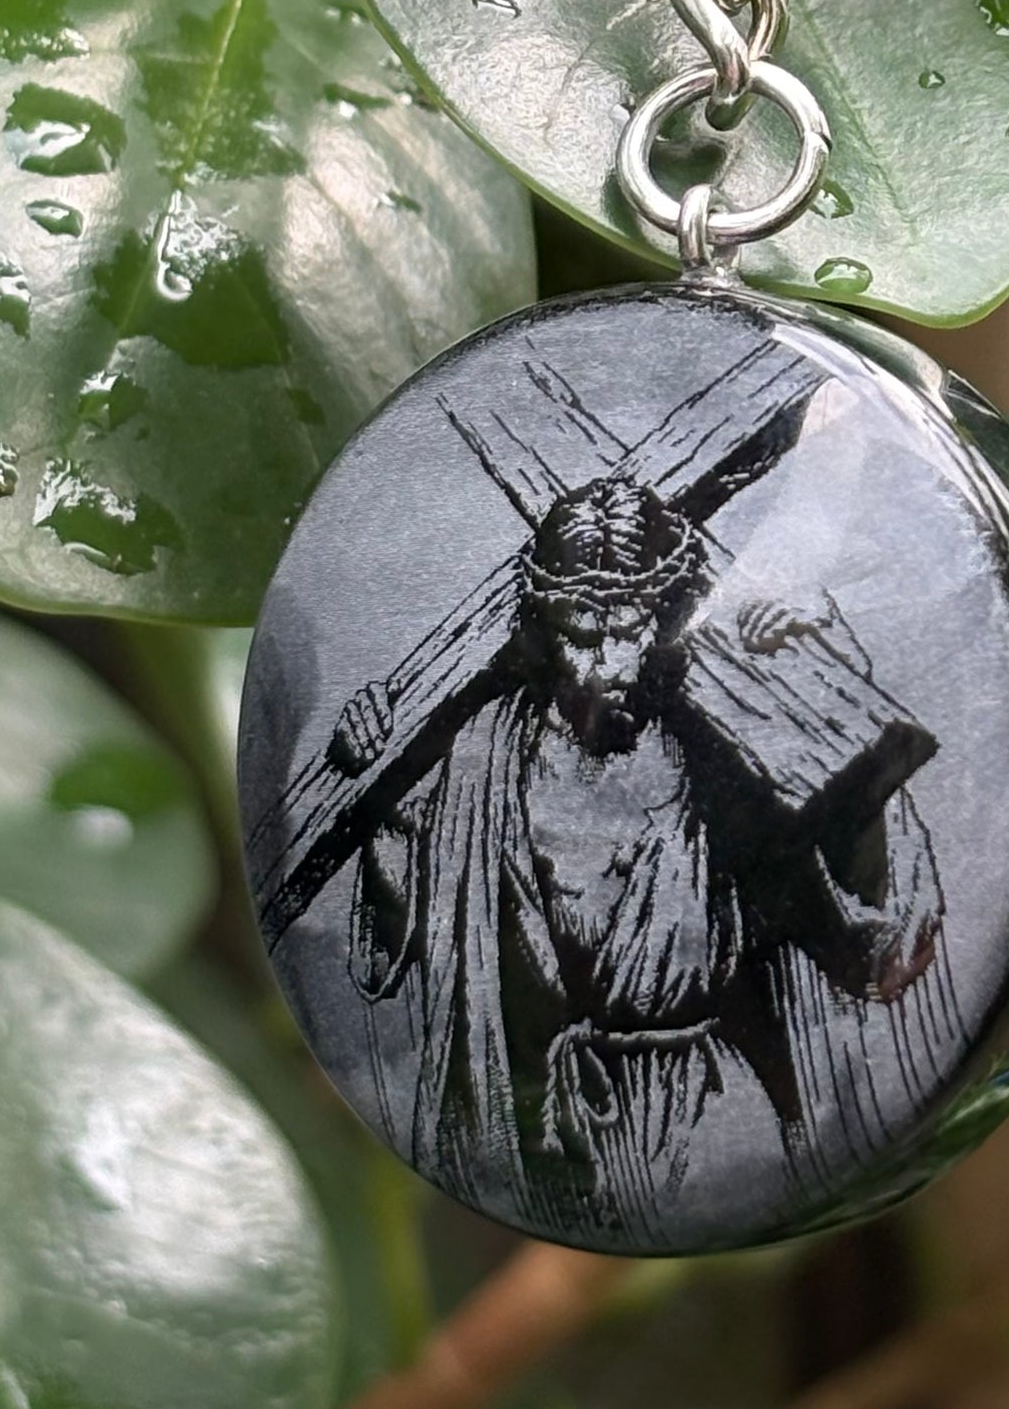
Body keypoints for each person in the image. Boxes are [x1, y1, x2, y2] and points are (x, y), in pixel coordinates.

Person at [328, 471, 952, 1247]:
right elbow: (384, 951)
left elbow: (857, 937)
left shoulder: (720, 754)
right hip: (527, 1133)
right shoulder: (482, 758)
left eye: (628, 630)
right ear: (544, 624)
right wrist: (378, 781)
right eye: (582, 634)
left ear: (664, 618)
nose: (606, 666)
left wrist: (832, 668)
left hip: (703, 1128)